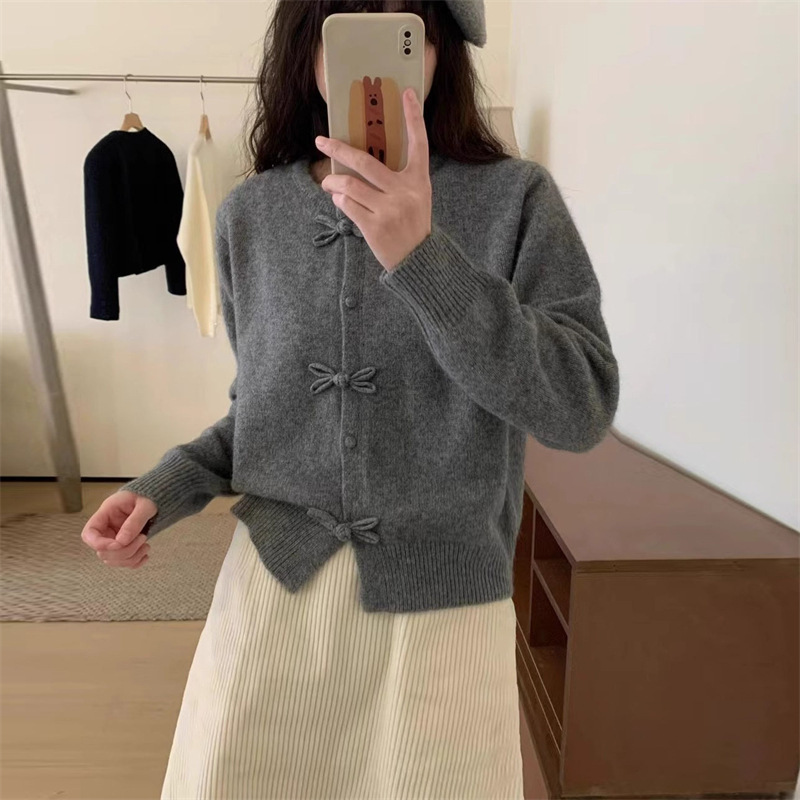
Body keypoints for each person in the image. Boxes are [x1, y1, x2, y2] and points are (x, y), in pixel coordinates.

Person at [81, 1, 620, 798]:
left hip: (441, 611)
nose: (372, 66)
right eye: (346, 28)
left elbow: (579, 406)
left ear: (442, 53)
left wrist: (424, 259)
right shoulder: (250, 215)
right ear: (306, 51)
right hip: (274, 596)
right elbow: (262, 413)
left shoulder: (516, 199)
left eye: (406, 32)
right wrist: (165, 487)